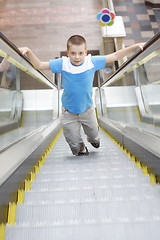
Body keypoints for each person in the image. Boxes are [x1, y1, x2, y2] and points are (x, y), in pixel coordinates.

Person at [19, 35, 145, 156]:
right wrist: (28, 51)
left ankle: (93, 139)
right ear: (67, 53)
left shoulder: (91, 62)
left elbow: (115, 55)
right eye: (73, 53)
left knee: (93, 133)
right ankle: (80, 148)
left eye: (80, 53)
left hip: (87, 109)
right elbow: (39, 65)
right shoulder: (63, 63)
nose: (77, 57)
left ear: (86, 52)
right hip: (68, 112)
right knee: (72, 140)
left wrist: (135, 46)